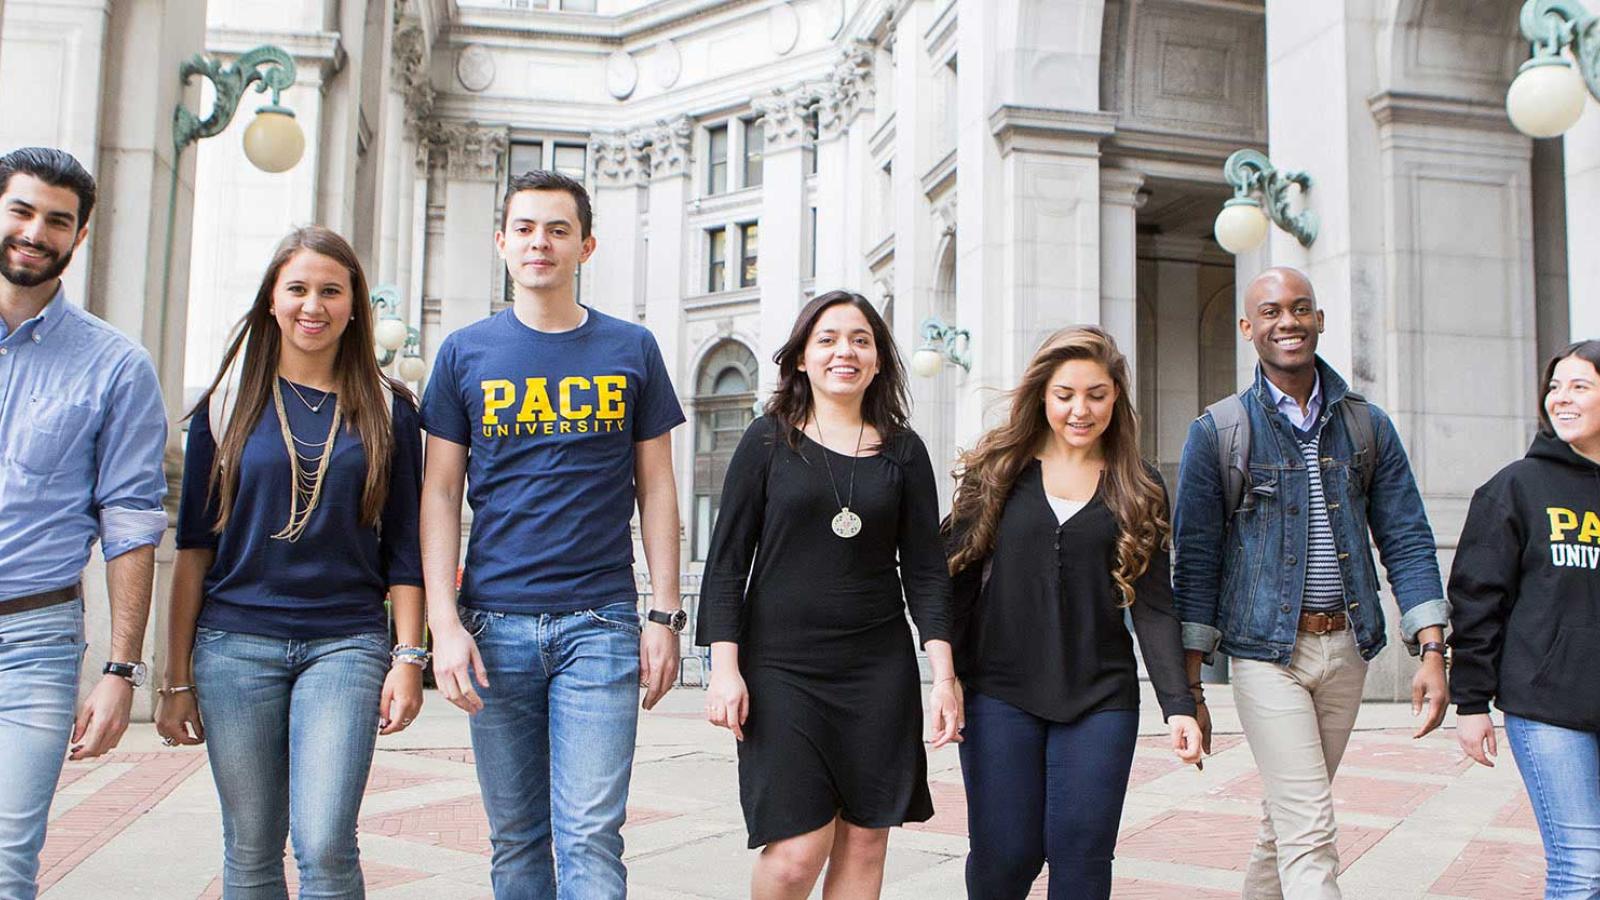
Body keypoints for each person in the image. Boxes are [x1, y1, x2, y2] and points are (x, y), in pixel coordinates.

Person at [420, 170, 686, 900]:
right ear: (502, 242)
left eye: (559, 229)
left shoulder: (631, 348)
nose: (542, 242)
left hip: (599, 623)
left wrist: (664, 613)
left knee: (592, 834)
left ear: (586, 246)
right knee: (516, 841)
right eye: (527, 228)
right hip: (492, 627)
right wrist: (444, 624)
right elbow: (439, 492)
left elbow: (656, 487)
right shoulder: (463, 354)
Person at [154, 226, 426, 898]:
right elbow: (194, 548)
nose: (314, 304)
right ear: (271, 301)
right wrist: (173, 678)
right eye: (297, 288)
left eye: (331, 291)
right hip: (233, 648)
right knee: (250, 848)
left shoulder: (391, 411)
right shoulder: (225, 405)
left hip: (346, 646)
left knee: (327, 843)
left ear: (355, 304)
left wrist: (408, 657)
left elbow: (406, 549)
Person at [1172, 267, 1449, 899]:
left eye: (1300, 309)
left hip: (1348, 649)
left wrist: (1431, 648)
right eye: (1270, 312)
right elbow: (1195, 559)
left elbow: (1405, 538)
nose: (1287, 322)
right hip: (1267, 655)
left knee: (1288, 821)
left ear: (1320, 320)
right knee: (1311, 827)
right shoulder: (1219, 432)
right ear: (1249, 328)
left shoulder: (1367, 425)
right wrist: (1189, 684)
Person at [697, 290, 961, 900]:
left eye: (861, 340)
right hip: (781, 670)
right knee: (794, 853)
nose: (845, 351)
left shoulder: (904, 450)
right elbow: (728, 561)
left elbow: (925, 569)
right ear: (800, 359)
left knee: (866, 840)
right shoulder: (768, 441)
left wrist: (944, 676)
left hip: (877, 670)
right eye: (828, 339)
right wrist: (724, 669)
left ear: (877, 360)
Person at [944, 325, 1202, 899]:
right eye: (1065, 395)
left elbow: (1157, 605)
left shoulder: (1140, 485)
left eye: (1096, 395)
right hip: (999, 693)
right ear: (1042, 395)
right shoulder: (997, 472)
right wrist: (948, 678)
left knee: (1082, 856)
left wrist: (1180, 705)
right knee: (1004, 857)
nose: (1080, 410)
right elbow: (953, 579)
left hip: (1100, 697)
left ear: (1116, 398)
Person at [0, 147, 168, 899]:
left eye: (56, 221)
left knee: (7, 862)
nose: (35, 232)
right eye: (22, 211)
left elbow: (132, 520)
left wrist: (121, 670)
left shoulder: (116, 367)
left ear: (80, 235)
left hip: (31, 647)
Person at [1450, 339, 1600, 899]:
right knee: (1582, 868)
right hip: (1548, 707)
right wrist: (1471, 702)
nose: (1562, 399)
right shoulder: (1516, 487)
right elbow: (1476, 598)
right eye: (1555, 387)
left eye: (1579, 386)